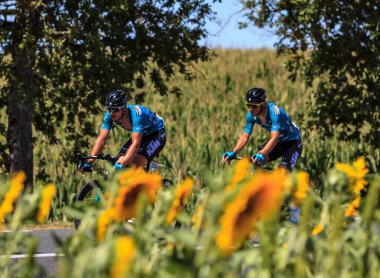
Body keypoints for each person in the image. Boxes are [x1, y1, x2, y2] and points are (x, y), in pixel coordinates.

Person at [222, 87, 302, 222]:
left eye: (254, 106)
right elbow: (245, 137)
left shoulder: (275, 113)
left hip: (292, 144)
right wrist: (233, 152)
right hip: (277, 143)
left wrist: (262, 153)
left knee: (281, 173)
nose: (251, 109)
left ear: (263, 104)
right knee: (256, 162)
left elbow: (275, 137)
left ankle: (294, 204)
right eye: (248, 105)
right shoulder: (251, 116)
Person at [78, 89, 166, 172]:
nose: (112, 113)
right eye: (109, 109)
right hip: (141, 133)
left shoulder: (137, 116)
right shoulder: (109, 116)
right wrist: (90, 162)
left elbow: (136, 144)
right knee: (119, 160)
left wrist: (123, 164)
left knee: (135, 163)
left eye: (115, 109)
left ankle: (152, 172)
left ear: (124, 108)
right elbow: (101, 139)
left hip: (156, 133)